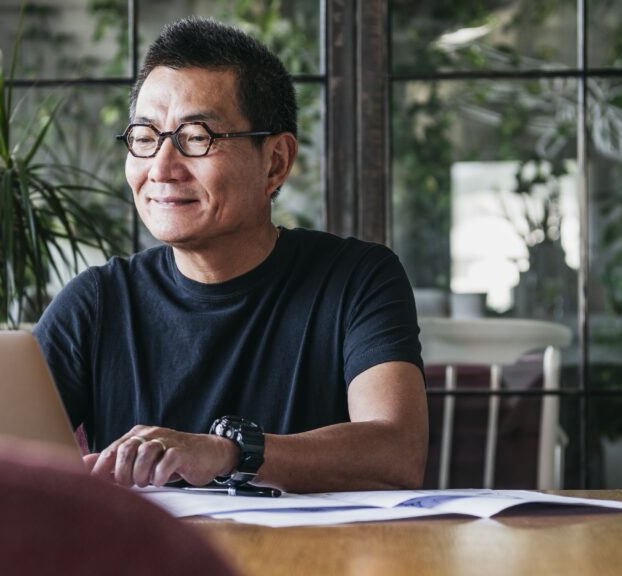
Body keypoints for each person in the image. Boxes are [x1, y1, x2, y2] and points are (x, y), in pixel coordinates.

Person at [34, 17, 428, 493]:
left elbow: (396, 453)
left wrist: (227, 452)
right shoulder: (95, 304)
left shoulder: (355, 279)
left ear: (275, 161)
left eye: (197, 137)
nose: (161, 167)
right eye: (144, 136)